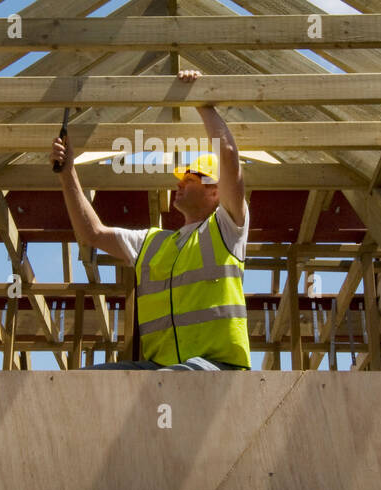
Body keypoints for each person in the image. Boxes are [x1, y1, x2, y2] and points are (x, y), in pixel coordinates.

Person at [51, 69, 250, 371]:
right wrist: (68, 173)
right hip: (161, 370)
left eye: (191, 178)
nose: (180, 184)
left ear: (215, 192)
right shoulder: (153, 243)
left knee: (171, 380)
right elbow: (92, 233)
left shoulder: (226, 229)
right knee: (88, 381)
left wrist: (201, 101)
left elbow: (229, 156)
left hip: (219, 369)